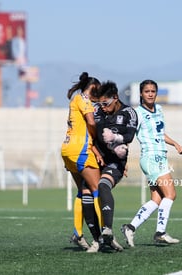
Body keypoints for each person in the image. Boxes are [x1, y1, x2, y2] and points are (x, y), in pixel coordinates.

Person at [121, 79, 182, 247]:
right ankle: (160, 233)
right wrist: (123, 159)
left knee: (157, 199)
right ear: (141, 94)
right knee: (170, 194)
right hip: (151, 158)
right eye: (147, 91)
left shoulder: (159, 110)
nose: (150, 94)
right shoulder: (137, 113)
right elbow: (128, 136)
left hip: (161, 157)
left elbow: (160, 133)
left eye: (153, 91)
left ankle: (130, 227)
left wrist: (175, 143)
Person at [92, 81, 138, 251]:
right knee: (87, 196)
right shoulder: (98, 111)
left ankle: (107, 230)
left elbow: (130, 135)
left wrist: (116, 140)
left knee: (104, 186)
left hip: (115, 161)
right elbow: (93, 131)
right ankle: (91, 238)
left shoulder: (129, 112)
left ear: (116, 98)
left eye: (105, 103)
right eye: (100, 103)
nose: (102, 107)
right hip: (96, 157)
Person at [61, 72, 103, 253]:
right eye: (98, 92)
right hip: (80, 151)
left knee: (83, 192)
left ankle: (78, 233)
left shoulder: (75, 101)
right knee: (98, 190)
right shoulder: (84, 100)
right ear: (92, 89)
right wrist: (98, 139)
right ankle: (104, 235)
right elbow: (91, 123)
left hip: (68, 149)